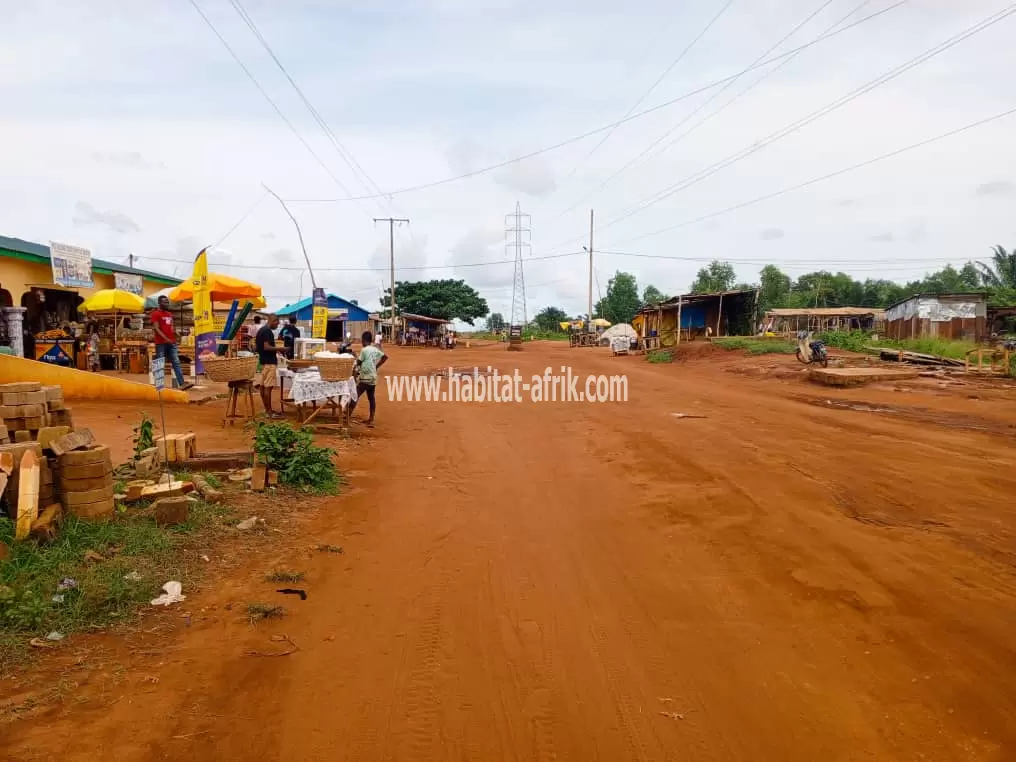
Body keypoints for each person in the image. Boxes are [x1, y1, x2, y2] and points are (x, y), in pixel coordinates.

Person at [150, 295, 191, 390]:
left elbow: (172, 328)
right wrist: (165, 338)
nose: (167, 303)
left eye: (167, 302)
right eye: (165, 302)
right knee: (160, 362)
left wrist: (179, 333)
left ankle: (182, 383)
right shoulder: (155, 314)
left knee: (176, 362)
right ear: (159, 303)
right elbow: (156, 328)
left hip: (171, 342)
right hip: (161, 343)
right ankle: (159, 385)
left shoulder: (169, 314)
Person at [353, 330, 387, 428]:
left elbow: (358, 363)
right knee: (371, 398)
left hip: (365, 378)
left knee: (355, 396)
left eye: (361, 340)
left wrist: (354, 373)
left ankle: (346, 417)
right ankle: (371, 419)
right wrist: (376, 366)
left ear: (363, 340)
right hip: (373, 378)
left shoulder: (364, 350)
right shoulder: (374, 349)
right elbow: (385, 357)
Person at [255, 314, 286, 417]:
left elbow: (259, 347)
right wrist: (281, 349)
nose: (277, 325)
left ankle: (267, 410)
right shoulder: (267, 331)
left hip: (263, 361)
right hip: (269, 362)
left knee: (263, 387)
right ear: (273, 320)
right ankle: (269, 412)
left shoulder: (261, 330)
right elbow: (267, 347)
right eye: (277, 322)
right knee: (268, 387)